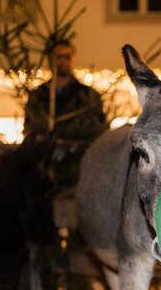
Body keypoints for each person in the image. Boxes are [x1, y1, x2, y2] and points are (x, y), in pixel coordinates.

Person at [24, 40, 108, 185]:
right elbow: (29, 128)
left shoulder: (87, 96)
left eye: (66, 57)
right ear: (51, 60)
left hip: (77, 167)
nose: (62, 61)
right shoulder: (38, 96)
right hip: (44, 166)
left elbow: (98, 129)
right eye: (58, 57)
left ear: (72, 59)